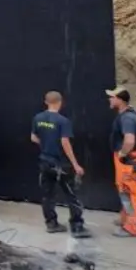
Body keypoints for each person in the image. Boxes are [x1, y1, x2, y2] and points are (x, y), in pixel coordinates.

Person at [31, 91, 89, 237]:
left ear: (46, 102)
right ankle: (77, 226)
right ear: (60, 102)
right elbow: (65, 142)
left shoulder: (37, 118)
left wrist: (45, 146)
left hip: (45, 161)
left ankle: (51, 224)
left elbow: (33, 138)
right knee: (71, 194)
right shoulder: (63, 121)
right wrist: (75, 164)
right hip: (61, 164)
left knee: (48, 195)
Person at [108, 87, 136, 238]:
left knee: (130, 194)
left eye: (112, 97)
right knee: (124, 191)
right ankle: (125, 219)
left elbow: (129, 140)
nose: (110, 100)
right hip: (127, 160)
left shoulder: (127, 118)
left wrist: (122, 154)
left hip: (127, 161)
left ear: (120, 100)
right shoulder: (127, 114)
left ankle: (132, 227)